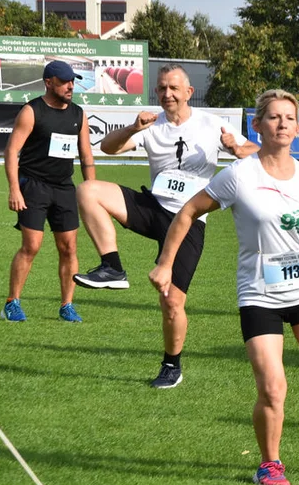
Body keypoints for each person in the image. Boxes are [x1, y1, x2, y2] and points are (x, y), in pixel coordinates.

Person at [149, 89, 299, 485]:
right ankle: (269, 464)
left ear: (298, 127)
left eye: (289, 118)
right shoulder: (239, 176)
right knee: (273, 387)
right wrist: (165, 263)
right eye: (273, 118)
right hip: (259, 295)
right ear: (257, 126)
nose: (282, 124)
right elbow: (189, 210)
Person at [73, 65, 258, 388]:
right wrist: (132, 128)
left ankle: (171, 364)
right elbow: (107, 148)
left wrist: (236, 149)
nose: (167, 94)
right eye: (161, 89)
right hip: (154, 207)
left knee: (171, 301)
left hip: (189, 219)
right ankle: (112, 267)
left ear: (188, 93)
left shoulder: (212, 124)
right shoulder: (151, 124)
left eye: (173, 88)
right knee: (88, 190)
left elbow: (256, 152)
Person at [2, 61, 96, 324]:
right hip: (33, 186)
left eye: (72, 81)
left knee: (69, 248)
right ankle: (12, 302)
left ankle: (67, 305)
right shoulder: (32, 111)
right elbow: (11, 151)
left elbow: (86, 155)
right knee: (31, 246)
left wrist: (91, 191)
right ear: (48, 82)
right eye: (64, 81)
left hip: (64, 188)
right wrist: (14, 189)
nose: (70, 86)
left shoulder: (79, 114)